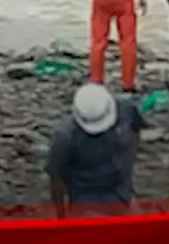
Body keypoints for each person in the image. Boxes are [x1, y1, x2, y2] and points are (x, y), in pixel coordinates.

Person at [46, 83, 144, 218]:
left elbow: (137, 130)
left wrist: (128, 162)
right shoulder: (65, 137)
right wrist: (62, 216)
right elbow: (56, 178)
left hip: (122, 192)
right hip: (86, 200)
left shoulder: (127, 110)